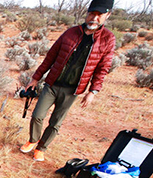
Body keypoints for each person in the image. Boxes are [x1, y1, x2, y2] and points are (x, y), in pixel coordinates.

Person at [20, 0, 116, 162]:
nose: (95, 18)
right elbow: (51, 56)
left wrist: (92, 92)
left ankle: (41, 148)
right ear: (87, 14)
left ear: (108, 15)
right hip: (53, 83)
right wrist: (36, 78)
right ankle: (33, 139)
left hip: (73, 89)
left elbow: (103, 68)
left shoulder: (108, 39)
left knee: (56, 122)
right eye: (92, 14)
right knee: (37, 115)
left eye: (100, 15)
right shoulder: (71, 33)